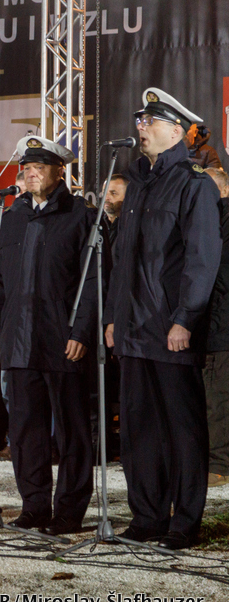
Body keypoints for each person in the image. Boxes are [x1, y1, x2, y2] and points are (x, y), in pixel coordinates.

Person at [103, 88, 221, 550]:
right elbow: (122, 260)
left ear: (176, 131)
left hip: (171, 327)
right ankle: (147, 516)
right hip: (133, 328)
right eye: (139, 120)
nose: (141, 127)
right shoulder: (137, 184)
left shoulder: (194, 184)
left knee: (181, 428)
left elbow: (201, 259)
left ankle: (183, 522)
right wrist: (114, 317)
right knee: (139, 427)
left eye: (150, 121)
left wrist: (185, 318)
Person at [0, 136, 98, 535]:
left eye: (40, 167)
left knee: (71, 429)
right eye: (26, 168)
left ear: (59, 172)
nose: (30, 174)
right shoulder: (12, 216)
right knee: (25, 429)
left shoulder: (80, 214)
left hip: (62, 338)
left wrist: (82, 330)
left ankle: (69, 511)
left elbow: (92, 280)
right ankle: (34, 506)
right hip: (19, 337)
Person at [204, 167, 229, 489]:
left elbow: (219, 273)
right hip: (210, 324)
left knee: (217, 397)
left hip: (220, 325)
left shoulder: (221, 221)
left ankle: (219, 464)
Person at [103, 174, 128, 243]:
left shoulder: (131, 228)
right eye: (104, 192)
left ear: (127, 197)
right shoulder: (97, 223)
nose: (106, 198)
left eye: (113, 193)